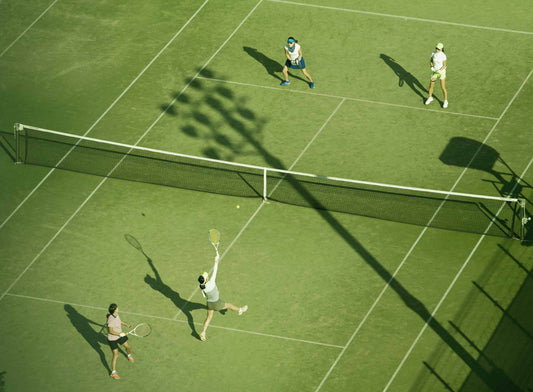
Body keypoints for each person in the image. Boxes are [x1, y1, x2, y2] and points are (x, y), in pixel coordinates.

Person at [198, 255, 248, 341]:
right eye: (207, 276)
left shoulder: (202, 287)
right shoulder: (211, 282)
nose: (208, 276)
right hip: (216, 303)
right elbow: (215, 270)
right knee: (229, 305)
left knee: (208, 318)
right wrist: (216, 260)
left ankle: (203, 332)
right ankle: (240, 310)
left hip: (209, 304)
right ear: (206, 279)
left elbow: (204, 296)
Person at [106, 303, 134, 380]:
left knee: (128, 347)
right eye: (116, 308)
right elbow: (110, 331)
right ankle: (113, 372)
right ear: (114, 310)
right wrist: (120, 334)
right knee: (116, 355)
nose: (118, 308)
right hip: (112, 339)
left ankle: (129, 355)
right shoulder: (111, 320)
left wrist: (126, 325)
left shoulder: (116, 315)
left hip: (119, 336)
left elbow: (119, 321)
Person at [425, 42, 448, 108]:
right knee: (431, 86)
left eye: (438, 49)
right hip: (435, 72)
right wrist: (431, 67)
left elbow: (444, 65)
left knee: (443, 87)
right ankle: (430, 97)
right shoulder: (433, 53)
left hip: (441, 73)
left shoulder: (443, 55)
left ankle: (445, 101)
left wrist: (439, 70)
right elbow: (431, 61)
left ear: (441, 49)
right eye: (436, 48)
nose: (437, 50)